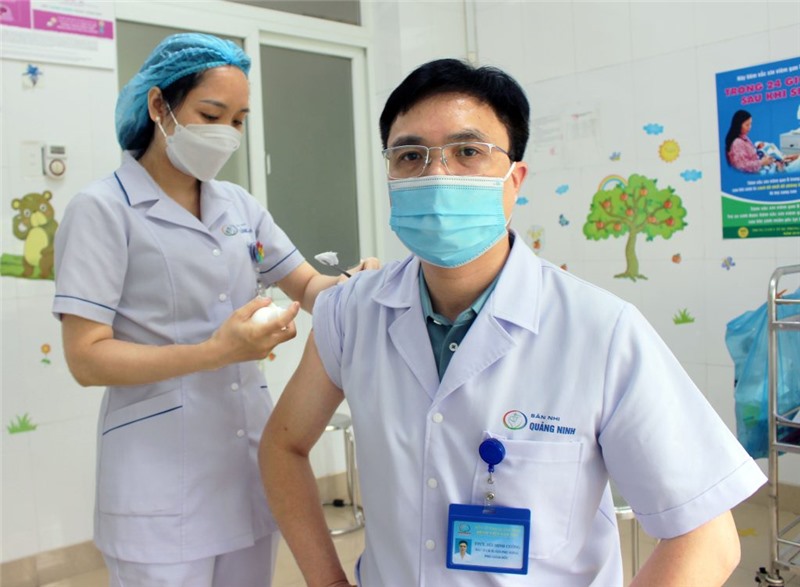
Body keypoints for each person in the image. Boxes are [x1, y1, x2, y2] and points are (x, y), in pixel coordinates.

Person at [259, 58, 767, 586]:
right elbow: (283, 446)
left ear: (514, 179)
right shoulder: (351, 312)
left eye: (467, 152)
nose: (437, 174)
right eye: (410, 156)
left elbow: (707, 539)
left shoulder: (600, 330)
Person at [53, 33, 375, 587]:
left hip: (246, 470)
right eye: (211, 114)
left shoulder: (238, 205)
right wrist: (214, 352)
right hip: (158, 483)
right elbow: (86, 358)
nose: (226, 132)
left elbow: (306, 285)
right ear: (159, 106)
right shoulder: (102, 210)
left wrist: (362, 287)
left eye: (239, 120)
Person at [725, 109, 800, 173]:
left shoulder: (744, 138)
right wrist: (762, 162)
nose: (750, 127)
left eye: (750, 124)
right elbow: (741, 166)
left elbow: (751, 155)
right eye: (747, 125)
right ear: (738, 125)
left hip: (767, 166)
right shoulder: (737, 143)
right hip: (763, 170)